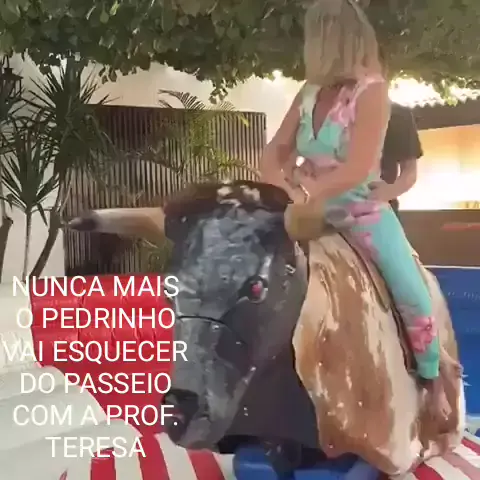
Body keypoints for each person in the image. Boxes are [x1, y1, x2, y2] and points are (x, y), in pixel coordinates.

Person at [259, 0, 453, 423]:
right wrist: (284, 185)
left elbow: (360, 168)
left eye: (315, 34)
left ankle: (431, 378)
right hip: (304, 204)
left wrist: (309, 189)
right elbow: (274, 151)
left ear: (331, 38)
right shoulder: (308, 92)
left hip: (358, 208)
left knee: (409, 287)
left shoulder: (373, 92)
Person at [369, 102, 422, 215]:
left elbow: (410, 170)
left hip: (379, 209)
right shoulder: (335, 114)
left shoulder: (399, 115)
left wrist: (390, 191)